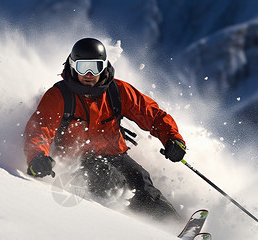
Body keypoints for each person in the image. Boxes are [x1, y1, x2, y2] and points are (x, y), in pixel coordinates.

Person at [24, 38, 186, 222]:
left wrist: (172, 139)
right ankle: (135, 228)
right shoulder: (60, 96)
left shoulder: (116, 91)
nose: (89, 74)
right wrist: (37, 156)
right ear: (72, 65)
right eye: (83, 67)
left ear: (104, 66)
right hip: (77, 161)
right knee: (109, 180)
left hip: (115, 153)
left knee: (141, 180)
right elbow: (41, 127)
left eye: (96, 66)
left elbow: (152, 114)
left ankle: (175, 227)